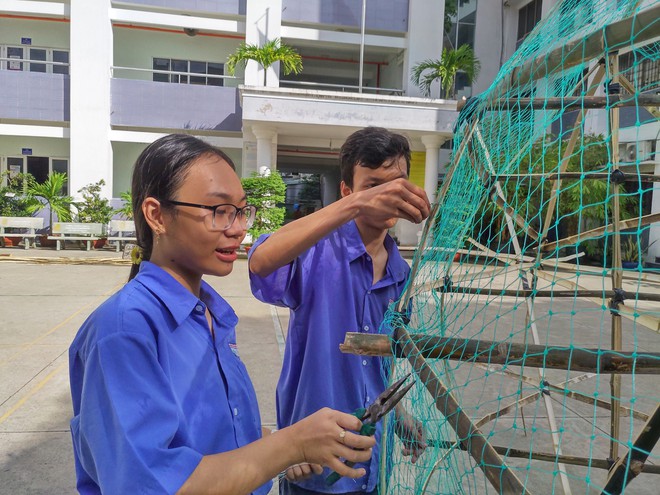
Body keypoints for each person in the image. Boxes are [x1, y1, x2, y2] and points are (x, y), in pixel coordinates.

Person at [68, 134, 376, 495]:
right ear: (157, 215)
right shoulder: (124, 330)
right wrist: (292, 444)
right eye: (218, 211)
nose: (238, 228)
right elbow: (152, 484)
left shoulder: (210, 315)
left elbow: (215, 436)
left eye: (241, 210)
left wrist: (278, 445)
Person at [248, 127, 431, 494]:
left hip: (372, 465)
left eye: (395, 185)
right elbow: (260, 261)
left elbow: (379, 364)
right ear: (347, 192)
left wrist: (398, 417)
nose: (386, 197)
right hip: (311, 467)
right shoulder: (316, 251)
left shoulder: (401, 275)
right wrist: (356, 207)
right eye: (373, 186)